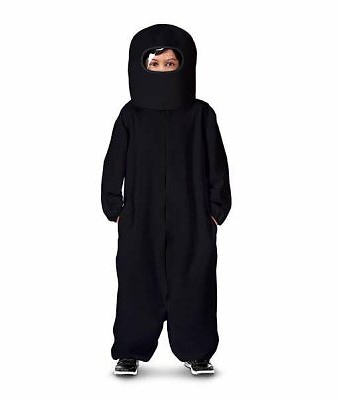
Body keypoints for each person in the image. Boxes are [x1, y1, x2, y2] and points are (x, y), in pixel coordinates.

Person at [101, 24, 232, 376]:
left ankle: (197, 351)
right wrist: (116, 209)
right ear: (140, 67)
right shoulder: (131, 115)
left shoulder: (200, 115)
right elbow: (114, 163)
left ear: (184, 67)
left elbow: (217, 164)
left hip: (192, 216)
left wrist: (216, 211)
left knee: (195, 281)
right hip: (140, 216)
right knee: (136, 280)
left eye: (170, 64)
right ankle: (130, 350)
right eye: (154, 65)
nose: (162, 71)